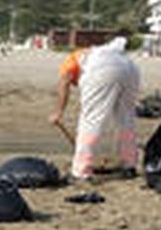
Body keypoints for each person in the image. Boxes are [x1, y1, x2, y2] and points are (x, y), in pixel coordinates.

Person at [49, 37, 140, 179]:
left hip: (102, 68)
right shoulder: (91, 54)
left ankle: (81, 169)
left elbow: (64, 83)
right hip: (129, 67)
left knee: (91, 120)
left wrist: (58, 112)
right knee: (126, 119)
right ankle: (129, 164)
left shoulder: (70, 61)